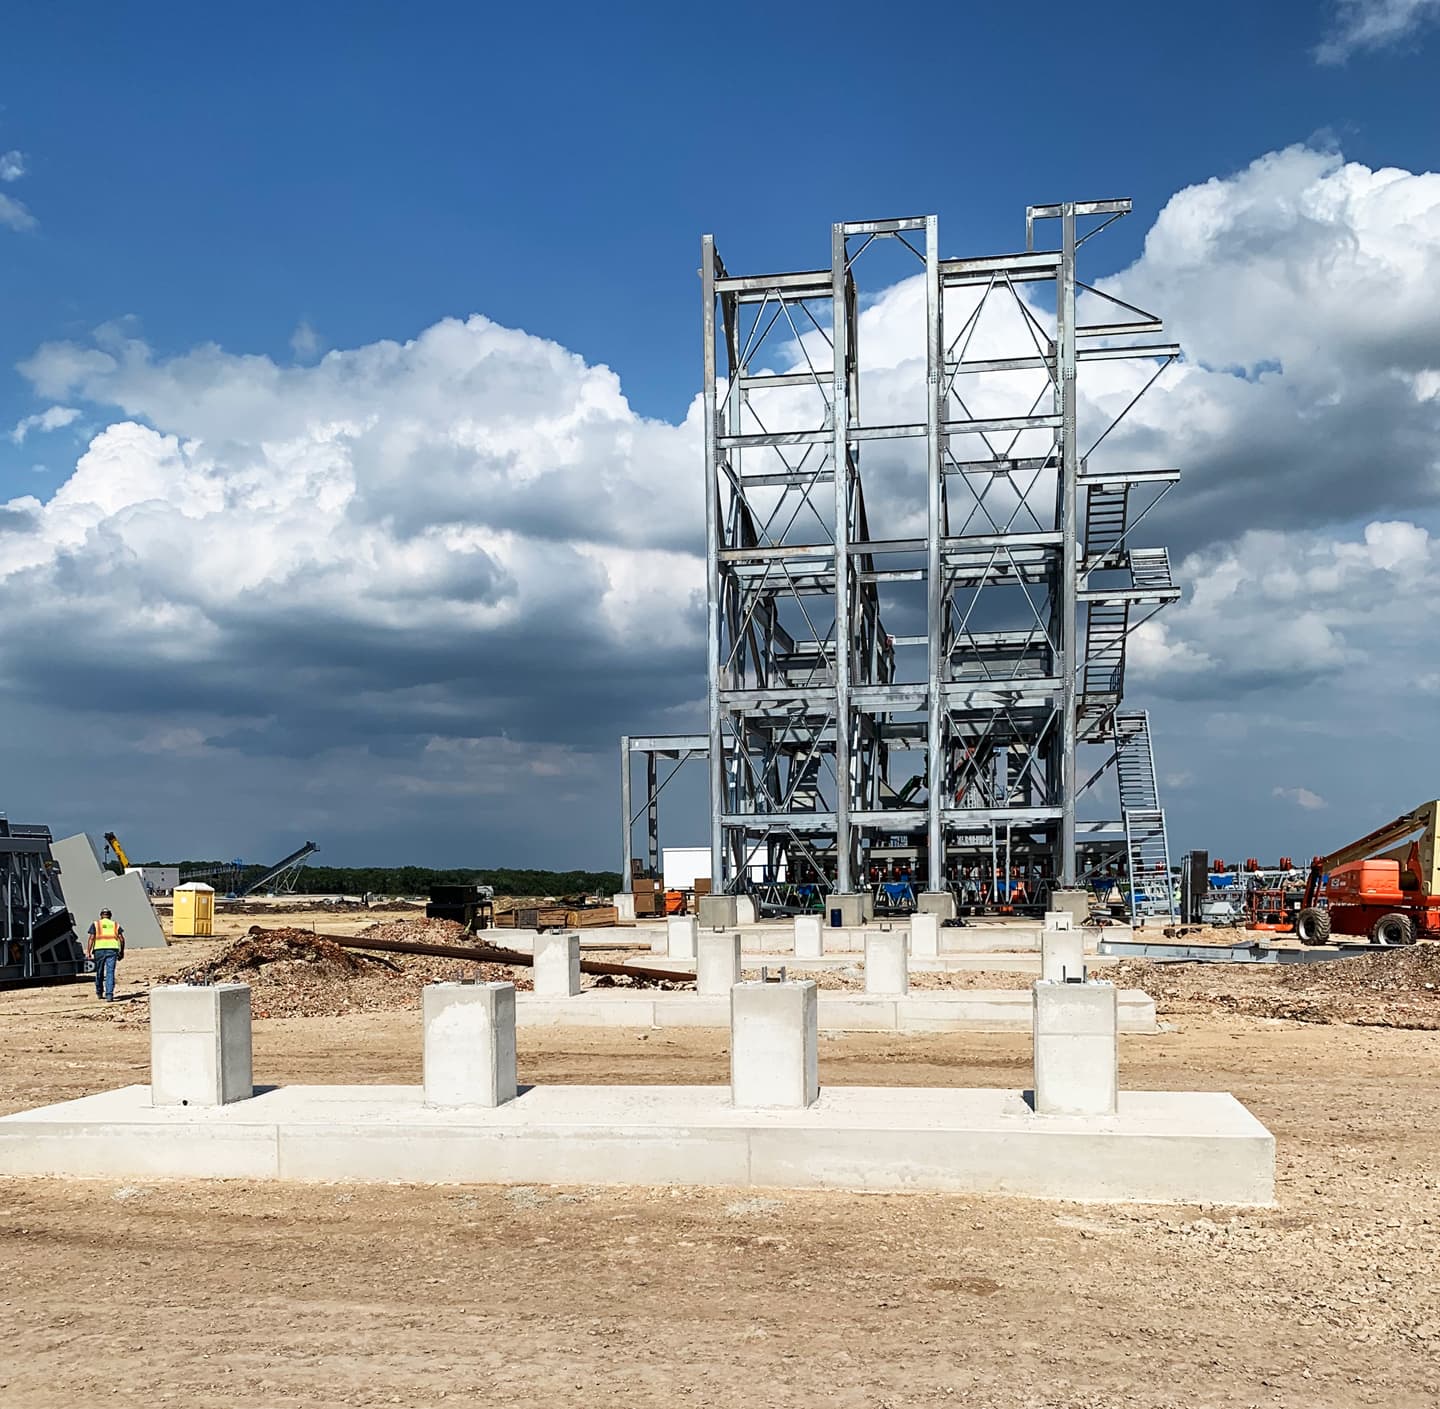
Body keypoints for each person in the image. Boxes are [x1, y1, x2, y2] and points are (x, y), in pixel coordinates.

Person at [86, 908, 125, 1001]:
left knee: (99, 972)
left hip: (99, 950)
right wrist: (122, 951)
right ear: (110, 915)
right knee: (110, 973)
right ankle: (109, 995)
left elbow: (91, 938)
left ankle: (99, 992)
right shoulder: (115, 925)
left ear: (101, 915)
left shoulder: (96, 924)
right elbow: (122, 939)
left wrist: (88, 951)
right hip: (112, 950)